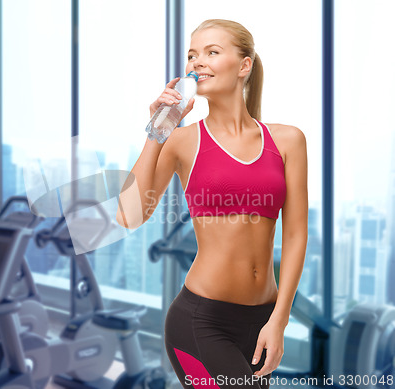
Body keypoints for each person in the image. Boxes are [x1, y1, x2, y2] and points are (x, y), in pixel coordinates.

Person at [116, 19, 308, 389]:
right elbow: (128, 216)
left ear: (244, 66)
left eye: (211, 52)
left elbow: (296, 235)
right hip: (201, 321)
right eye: (192, 55)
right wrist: (159, 129)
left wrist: (279, 320)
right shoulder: (182, 141)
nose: (197, 62)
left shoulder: (288, 141)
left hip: (263, 319)